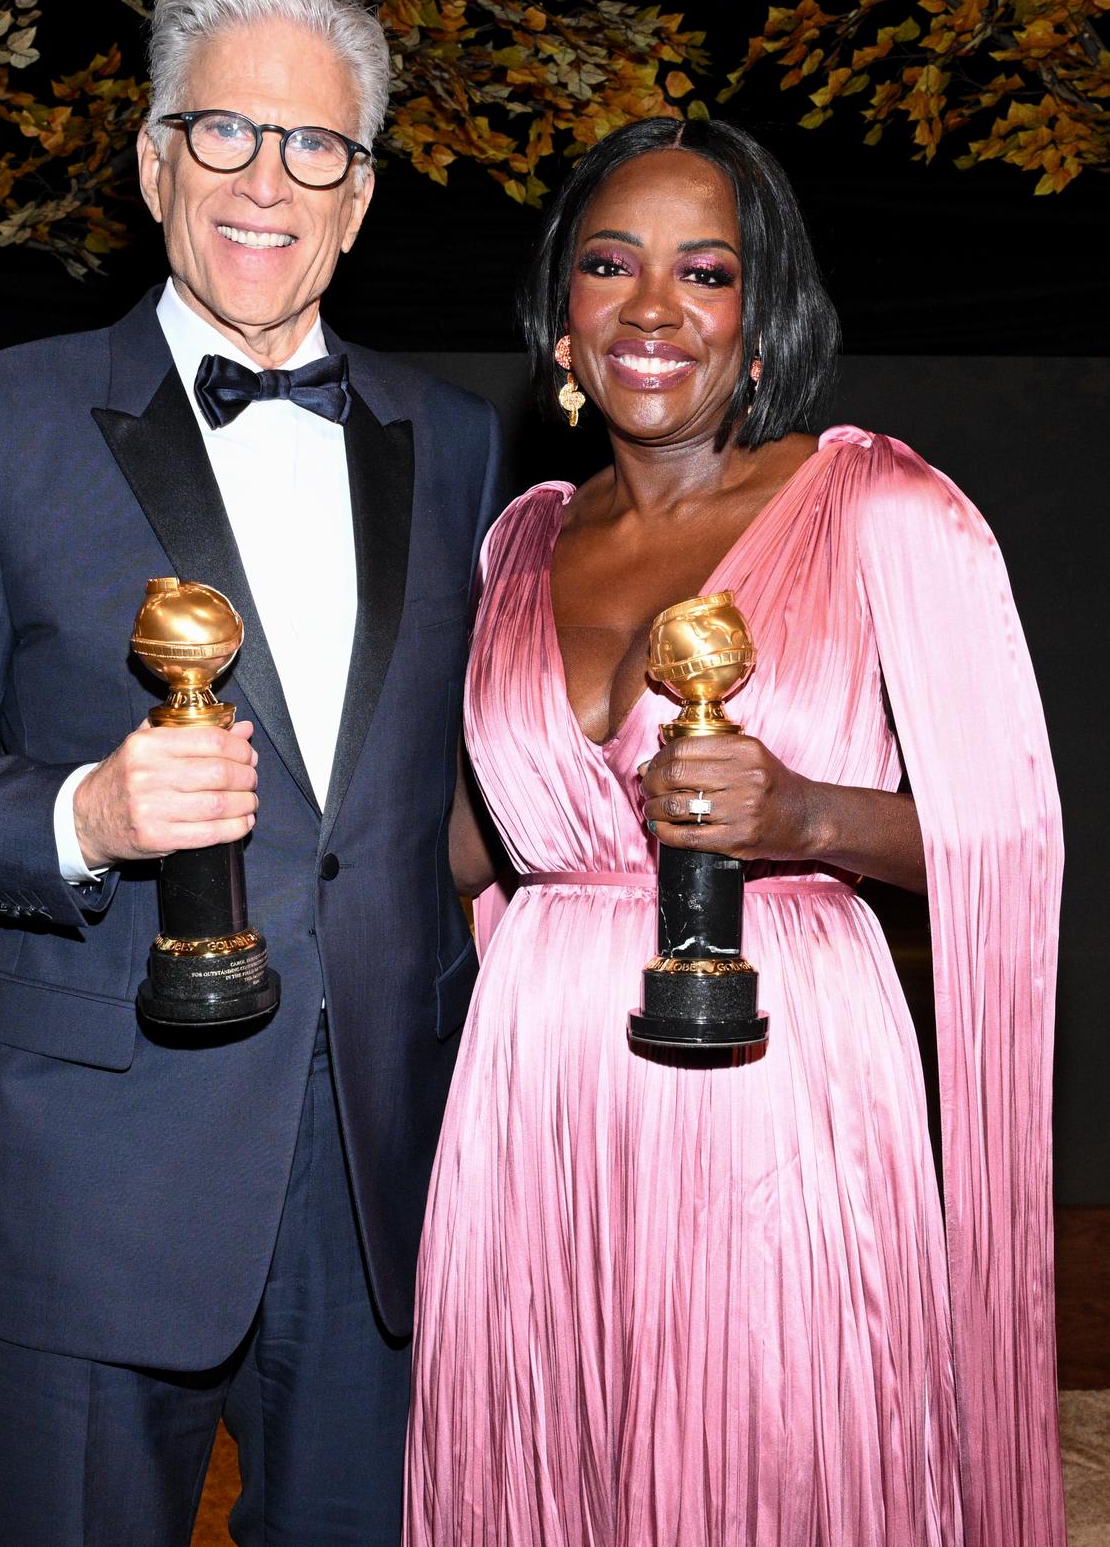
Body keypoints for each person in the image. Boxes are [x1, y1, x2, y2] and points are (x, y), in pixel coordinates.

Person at [0, 0, 502, 1547]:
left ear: (360, 198)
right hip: (96, 1165)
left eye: (316, 149)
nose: (268, 182)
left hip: (378, 1174)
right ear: (151, 162)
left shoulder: (458, 442)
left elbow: (451, 801)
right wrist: (85, 807)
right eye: (224, 135)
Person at [405, 116, 1067, 1546]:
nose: (653, 307)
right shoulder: (519, 542)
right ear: (559, 320)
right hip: (539, 1087)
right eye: (609, 264)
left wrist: (810, 814)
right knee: (555, 1460)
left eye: (705, 272)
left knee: (783, 1463)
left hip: (784, 1079)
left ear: (762, 321)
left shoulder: (883, 506)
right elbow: (470, 839)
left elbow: (1012, 838)